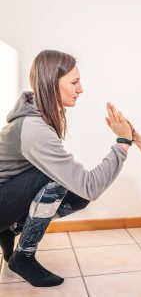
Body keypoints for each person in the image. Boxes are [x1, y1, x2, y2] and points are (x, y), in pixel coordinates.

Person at [0, 50, 133, 287]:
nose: (81, 89)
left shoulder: (38, 114)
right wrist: (123, 143)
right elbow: (90, 186)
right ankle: (24, 256)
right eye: (74, 82)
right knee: (60, 180)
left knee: (76, 195)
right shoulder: (34, 129)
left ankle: (9, 229)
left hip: (5, 194)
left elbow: (84, 192)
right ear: (52, 84)